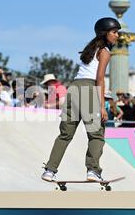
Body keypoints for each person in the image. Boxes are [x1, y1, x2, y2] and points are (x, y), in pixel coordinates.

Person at [42, 17, 120, 182]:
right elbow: (100, 78)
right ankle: (93, 171)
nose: (117, 35)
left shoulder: (91, 49)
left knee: (65, 135)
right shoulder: (105, 51)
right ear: (105, 33)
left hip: (74, 89)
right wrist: (102, 106)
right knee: (96, 135)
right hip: (89, 90)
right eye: (115, 32)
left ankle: (49, 170)